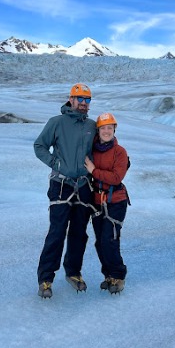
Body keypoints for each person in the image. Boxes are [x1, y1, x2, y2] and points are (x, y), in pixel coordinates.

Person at [34, 83, 97, 299]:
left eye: (87, 100)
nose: (83, 103)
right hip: (61, 185)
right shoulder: (57, 123)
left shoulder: (91, 125)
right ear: (70, 99)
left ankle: (73, 273)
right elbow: (39, 146)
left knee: (79, 233)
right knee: (57, 232)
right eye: (79, 98)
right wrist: (56, 164)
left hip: (83, 186)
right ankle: (45, 279)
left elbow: (101, 149)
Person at [84, 112, 129, 294]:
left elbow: (116, 177)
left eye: (110, 128)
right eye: (103, 128)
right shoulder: (93, 150)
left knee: (109, 240)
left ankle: (118, 276)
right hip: (97, 201)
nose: (107, 131)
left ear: (114, 130)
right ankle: (109, 275)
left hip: (116, 201)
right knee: (100, 243)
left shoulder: (120, 152)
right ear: (98, 131)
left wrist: (94, 171)